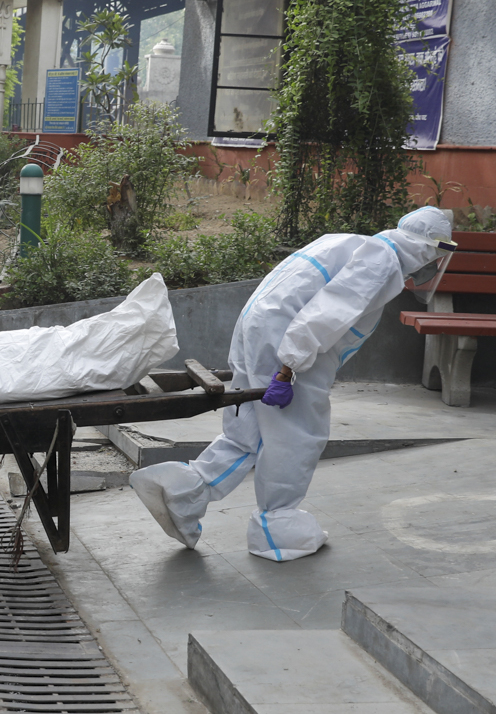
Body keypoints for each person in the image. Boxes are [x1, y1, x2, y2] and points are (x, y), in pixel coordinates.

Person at [129, 207, 456, 562]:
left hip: (259, 329)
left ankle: (181, 491)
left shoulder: (350, 242)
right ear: (426, 249)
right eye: (435, 255)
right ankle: (277, 528)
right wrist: (288, 369)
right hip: (288, 345)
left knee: (249, 431)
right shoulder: (383, 260)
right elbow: (329, 312)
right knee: (297, 434)